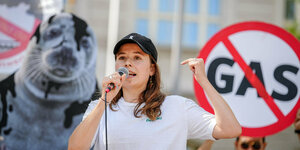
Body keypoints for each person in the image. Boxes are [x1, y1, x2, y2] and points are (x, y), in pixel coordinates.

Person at [68, 33, 241, 150]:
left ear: (152, 69)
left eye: (137, 57)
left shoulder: (177, 107)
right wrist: (103, 102)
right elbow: (75, 147)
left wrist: (204, 82)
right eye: (122, 57)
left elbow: (230, 129)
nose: (128, 63)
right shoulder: (98, 108)